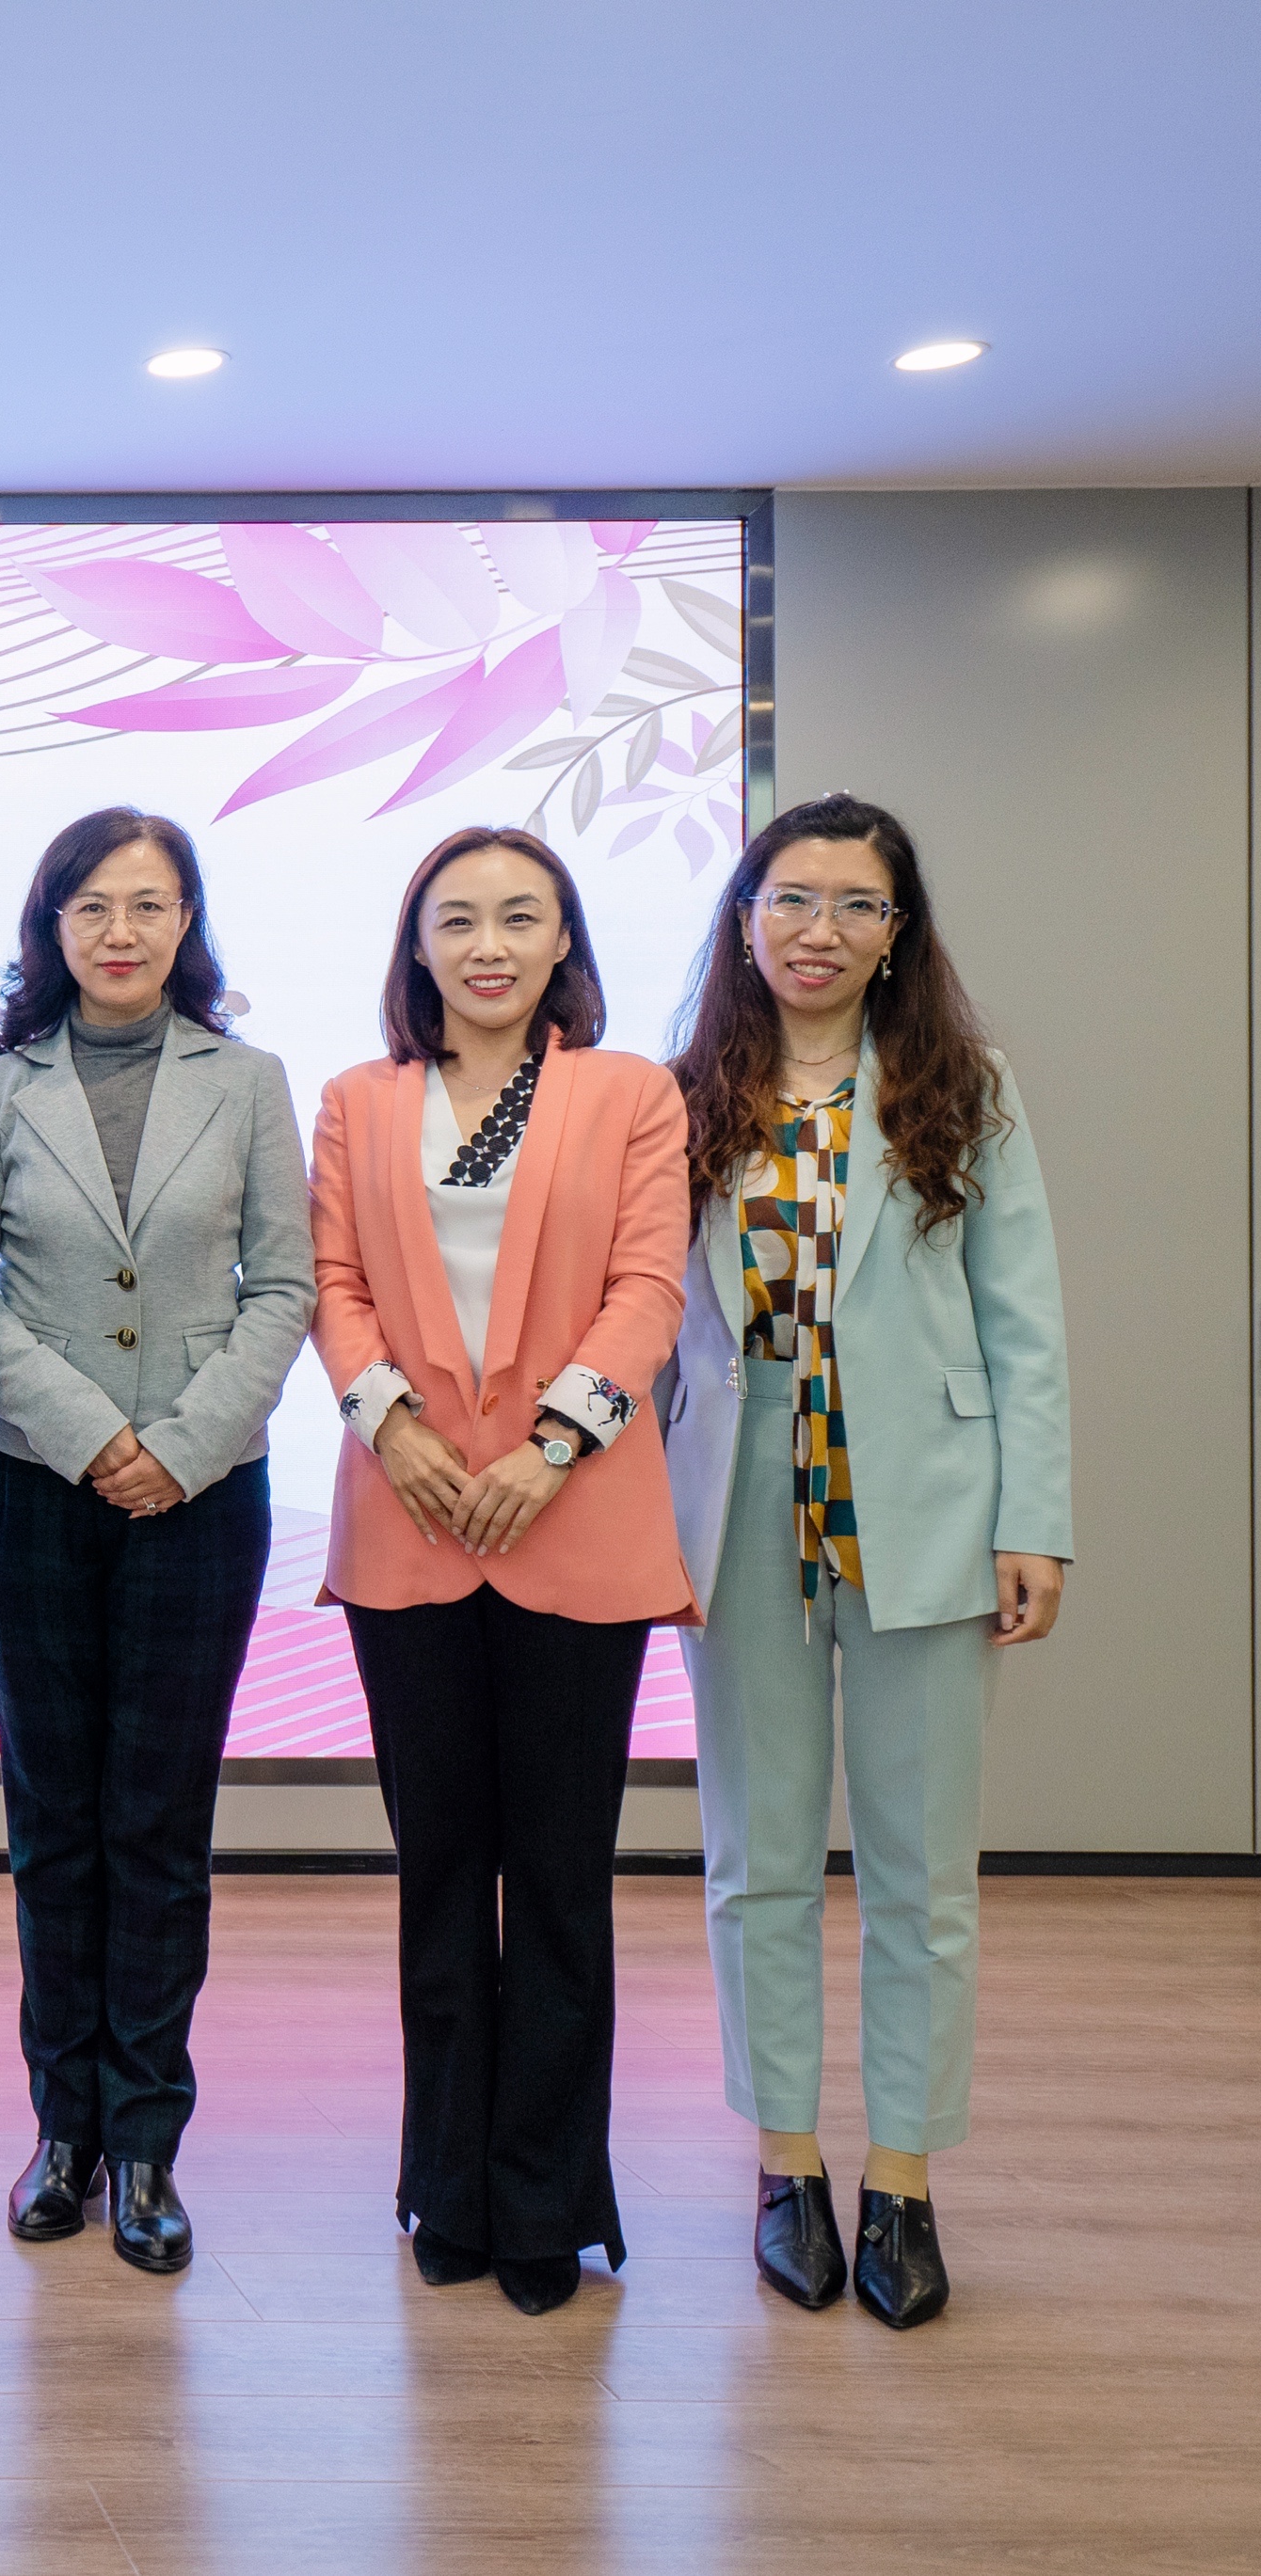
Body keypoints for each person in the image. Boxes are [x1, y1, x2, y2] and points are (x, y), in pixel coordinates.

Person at [659, 793, 1069, 2331]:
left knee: (923, 1870)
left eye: (855, 903)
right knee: (757, 1855)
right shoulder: (683, 1094)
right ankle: (787, 2162)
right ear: (744, 920)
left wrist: (1036, 1519)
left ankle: (903, 2173)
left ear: (898, 933)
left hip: (928, 1496)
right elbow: (649, 1328)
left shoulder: (966, 1086)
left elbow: (1025, 1321)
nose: (818, 928)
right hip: (738, 1495)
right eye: (791, 897)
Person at [307, 823, 691, 2315]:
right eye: (456, 919)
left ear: (563, 941)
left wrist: (554, 1443)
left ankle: (545, 2195)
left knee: (564, 1878)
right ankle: (446, 2182)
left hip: (571, 1518)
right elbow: (335, 1284)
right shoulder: (359, 1100)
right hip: (408, 1519)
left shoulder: (629, 1093)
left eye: (519, 917)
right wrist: (391, 1426)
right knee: (440, 1874)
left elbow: (648, 1286)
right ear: (417, 945)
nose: (487, 944)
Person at [0, 809, 311, 2275]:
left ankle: (148, 2136)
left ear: (186, 923)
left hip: (202, 1490)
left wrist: (182, 1442)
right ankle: (65, 2129)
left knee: (159, 1821)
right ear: (52, 925)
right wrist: (90, 1431)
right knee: (54, 1817)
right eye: (93, 904)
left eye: (150, 904)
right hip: (32, 1479)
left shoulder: (249, 1079)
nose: (121, 930)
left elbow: (283, 1284)